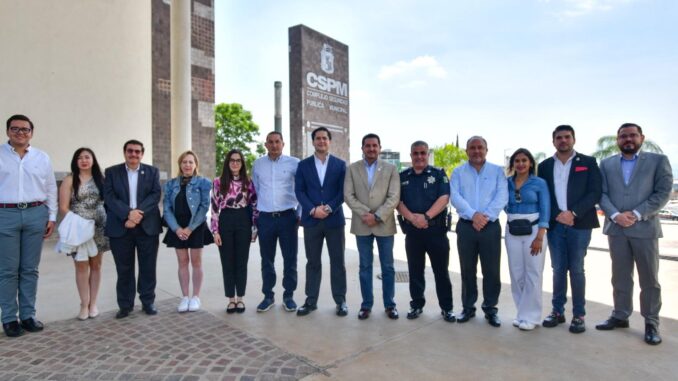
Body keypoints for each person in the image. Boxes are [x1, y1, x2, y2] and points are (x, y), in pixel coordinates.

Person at [596, 123, 673, 345]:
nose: (628, 139)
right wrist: (615, 215)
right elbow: (601, 193)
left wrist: (637, 214)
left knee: (649, 279)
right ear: (617, 140)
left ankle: (651, 322)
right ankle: (620, 315)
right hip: (617, 229)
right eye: (623, 136)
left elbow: (663, 192)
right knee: (620, 276)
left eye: (632, 135)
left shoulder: (658, 161)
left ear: (642, 137)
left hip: (645, 229)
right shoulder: (607, 163)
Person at [538, 125, 602, 334]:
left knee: (576, 269)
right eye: (559, 138)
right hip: (556, 225)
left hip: (580, 224)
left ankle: (579, 314)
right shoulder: (545, 165)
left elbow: (595, 192)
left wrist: (573, 213)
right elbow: (544, 194)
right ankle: (557, 311)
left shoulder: (588, 162)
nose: (563, 140)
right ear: (553, 141)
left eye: (567, 137)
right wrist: (559, 214)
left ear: (573, 139)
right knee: (557, 269)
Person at [0, 114, 57, 337]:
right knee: (8, 270)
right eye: (15, 129)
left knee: (30, 269)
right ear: (8, 132)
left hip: (36, 213)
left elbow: (51, 187)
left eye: (25, 129)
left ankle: (27, 315)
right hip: (6, 214)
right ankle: (9, 318)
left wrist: (51, 217)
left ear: (31, 133)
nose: (20, 133)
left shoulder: (42, 158)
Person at [451, 136, 508, 327]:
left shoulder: (497, 171)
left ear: (486, 150)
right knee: (467, 269)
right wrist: (473, 214)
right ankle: (468, 307)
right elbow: (455, 196)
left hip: (490, 226)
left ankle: (490, 309)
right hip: (466, 226)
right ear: (467, 151)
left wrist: (485, 217)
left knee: (491, 269)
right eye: (472, 148)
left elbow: (502, 195)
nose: (476, 151)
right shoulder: (458, 172)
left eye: (480, 148)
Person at [104, 139, 162, 319]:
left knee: (148, 267)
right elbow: (109, 197)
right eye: (130, 151)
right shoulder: (112, 172)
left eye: (137, 151)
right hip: (121, 227)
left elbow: (155, 195)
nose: (134, 154)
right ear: (124, 153)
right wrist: (128, 214)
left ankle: (147, 301)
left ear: (142, 154)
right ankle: (125, 305)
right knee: (124, 268)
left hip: (147, 227)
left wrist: (138, 214)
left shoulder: (152, 172)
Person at [345, 133, 400, 320]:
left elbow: (394, 197)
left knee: (388, 267)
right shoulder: (352, 169)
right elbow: (348, 195)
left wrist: (377, 216)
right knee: (365, 266)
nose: (371, 149)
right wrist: (365, 214)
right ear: (362, 148)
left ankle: (390, 305)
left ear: (380, 147)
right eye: (367, 146)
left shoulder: (391, 169)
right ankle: (366, 305)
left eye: (374, 145)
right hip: (362, 224)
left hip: (384, 224)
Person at [397, 141, 454, 322]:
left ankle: (446, 308)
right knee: (415, 271)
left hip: (436, 230)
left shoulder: (438, 174)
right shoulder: (402, 176)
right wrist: (413, 219)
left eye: (423, 153)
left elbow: (444, 198)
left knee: (441, 272)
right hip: (413, 232)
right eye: (416, 153)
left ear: (427, 154)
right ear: (411, 155)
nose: (419, 156)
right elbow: (398, 202)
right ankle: (416, 305)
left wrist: (426, 217)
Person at [295, 127, 348, 317]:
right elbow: (299, 191)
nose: (321, 141)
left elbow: (343, 192)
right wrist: (312, 209)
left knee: (338, 261)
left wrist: (328, 208)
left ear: (329, 141)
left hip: (334, 220)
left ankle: (340, 301)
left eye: (325, 138)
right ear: (313, 141)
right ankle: (310, 301)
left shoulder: (340, 165)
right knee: (313, 262)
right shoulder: (303, 165)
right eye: (318, 138)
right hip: (312, 220)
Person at [58, 148, 110, 321]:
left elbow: (108, 202)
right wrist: (80, 223)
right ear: (75, 161)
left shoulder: (102, 179)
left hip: (99, 227)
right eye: (80, 158)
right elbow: (63, 208)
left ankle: (93, 303)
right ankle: (83, 304)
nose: (84, 160)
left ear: (93, 160)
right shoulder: (69, 180)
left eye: (87, 157)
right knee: (81, 266)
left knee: (96, 265)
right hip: (78, 229)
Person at [251, 132, 300, 313]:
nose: (274, 145)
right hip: (265, 219)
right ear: (265, 145)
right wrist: (254, 220)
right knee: (267, 259)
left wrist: (299, 214)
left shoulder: (295, 163)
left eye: (277, 142)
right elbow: (255, 192)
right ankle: (268, 296)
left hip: (288, 217)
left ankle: (288, 296)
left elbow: (301, 189)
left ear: (283, 143)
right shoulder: (258, 164)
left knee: (290, 258)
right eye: (270, 142)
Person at [504, 148, 550, 331]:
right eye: (517, 161)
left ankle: (532, 317)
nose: (521, 164)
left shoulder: (539, 183)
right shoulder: (507, 183)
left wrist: (540, 236)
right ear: (513, 164)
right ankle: (521, 314)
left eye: (524, 160)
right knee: (516, 274)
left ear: (530, 163)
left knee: (533, 273)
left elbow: (546, 208)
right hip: (512, 230)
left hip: (534, 231)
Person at [163, 151, 212, 313]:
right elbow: (167, 208)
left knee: (196, 262)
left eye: (191, 162)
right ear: (180, 164)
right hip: (177, 227)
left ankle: (196, 297)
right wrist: (176, 229)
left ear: (195, 164)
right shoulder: (171, 184)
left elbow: (204, 207)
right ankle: (185, 297)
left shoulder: (203, 183)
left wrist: (190, 228)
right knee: (182, 262)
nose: (187, 165)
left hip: (196, 227)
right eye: (184, 162)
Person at [211, 149, 258, 314]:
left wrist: (254, 228)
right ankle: (231, 299)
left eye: (238, 160)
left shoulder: (248, 182)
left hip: (243, 220)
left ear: (242, 163)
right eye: (232, 160)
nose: (235, 163)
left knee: (241, 261)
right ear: (227, 162)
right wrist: (215, 231)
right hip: (226, 220)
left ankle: (240, 299)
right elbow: (215, 207)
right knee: (227, 261)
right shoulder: (218, 182)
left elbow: (254, 205)